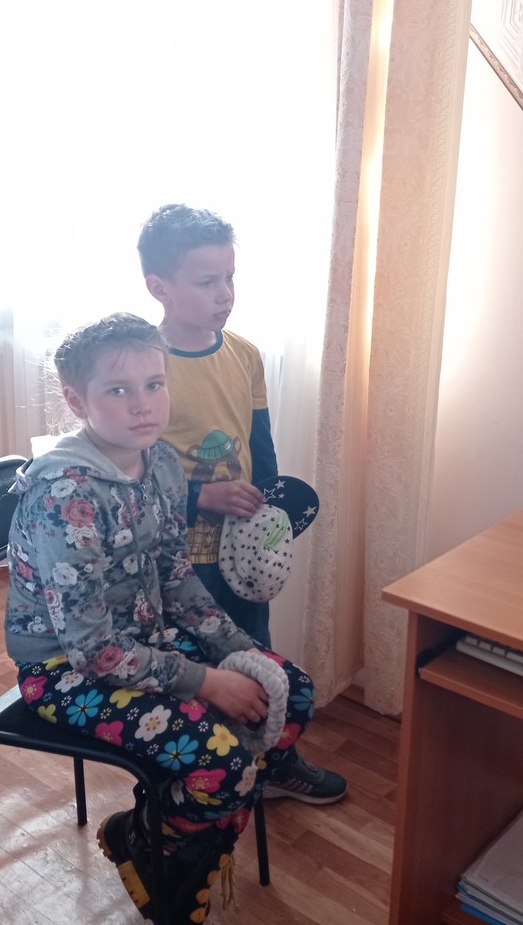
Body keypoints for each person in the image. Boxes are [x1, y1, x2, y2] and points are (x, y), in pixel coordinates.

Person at [4, 312, 314, 923]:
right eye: (118, 389)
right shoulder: (67, 495)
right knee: (224, 764)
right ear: (77, 400)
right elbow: (93, 651)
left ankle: (170, 836)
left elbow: (175, 576)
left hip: (147, 643)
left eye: (154, 383)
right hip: (65, 673)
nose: (143, 404)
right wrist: (206, 682)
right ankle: (149, 839)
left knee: (292, 693)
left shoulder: (162, 462)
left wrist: (234, 650)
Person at [136, 203, 347, 805]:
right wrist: (201, 496)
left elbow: (261, 449)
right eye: (208, 281)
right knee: (202, 667)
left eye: (230, 277)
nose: (225, 293)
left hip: (242, 554)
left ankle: (275, 762)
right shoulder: (146, 369)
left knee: (258, 655)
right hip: (179, 562)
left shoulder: (245, 355)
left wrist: (272, 525)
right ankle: (201, 777)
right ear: (159, 287)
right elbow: (130, 482)